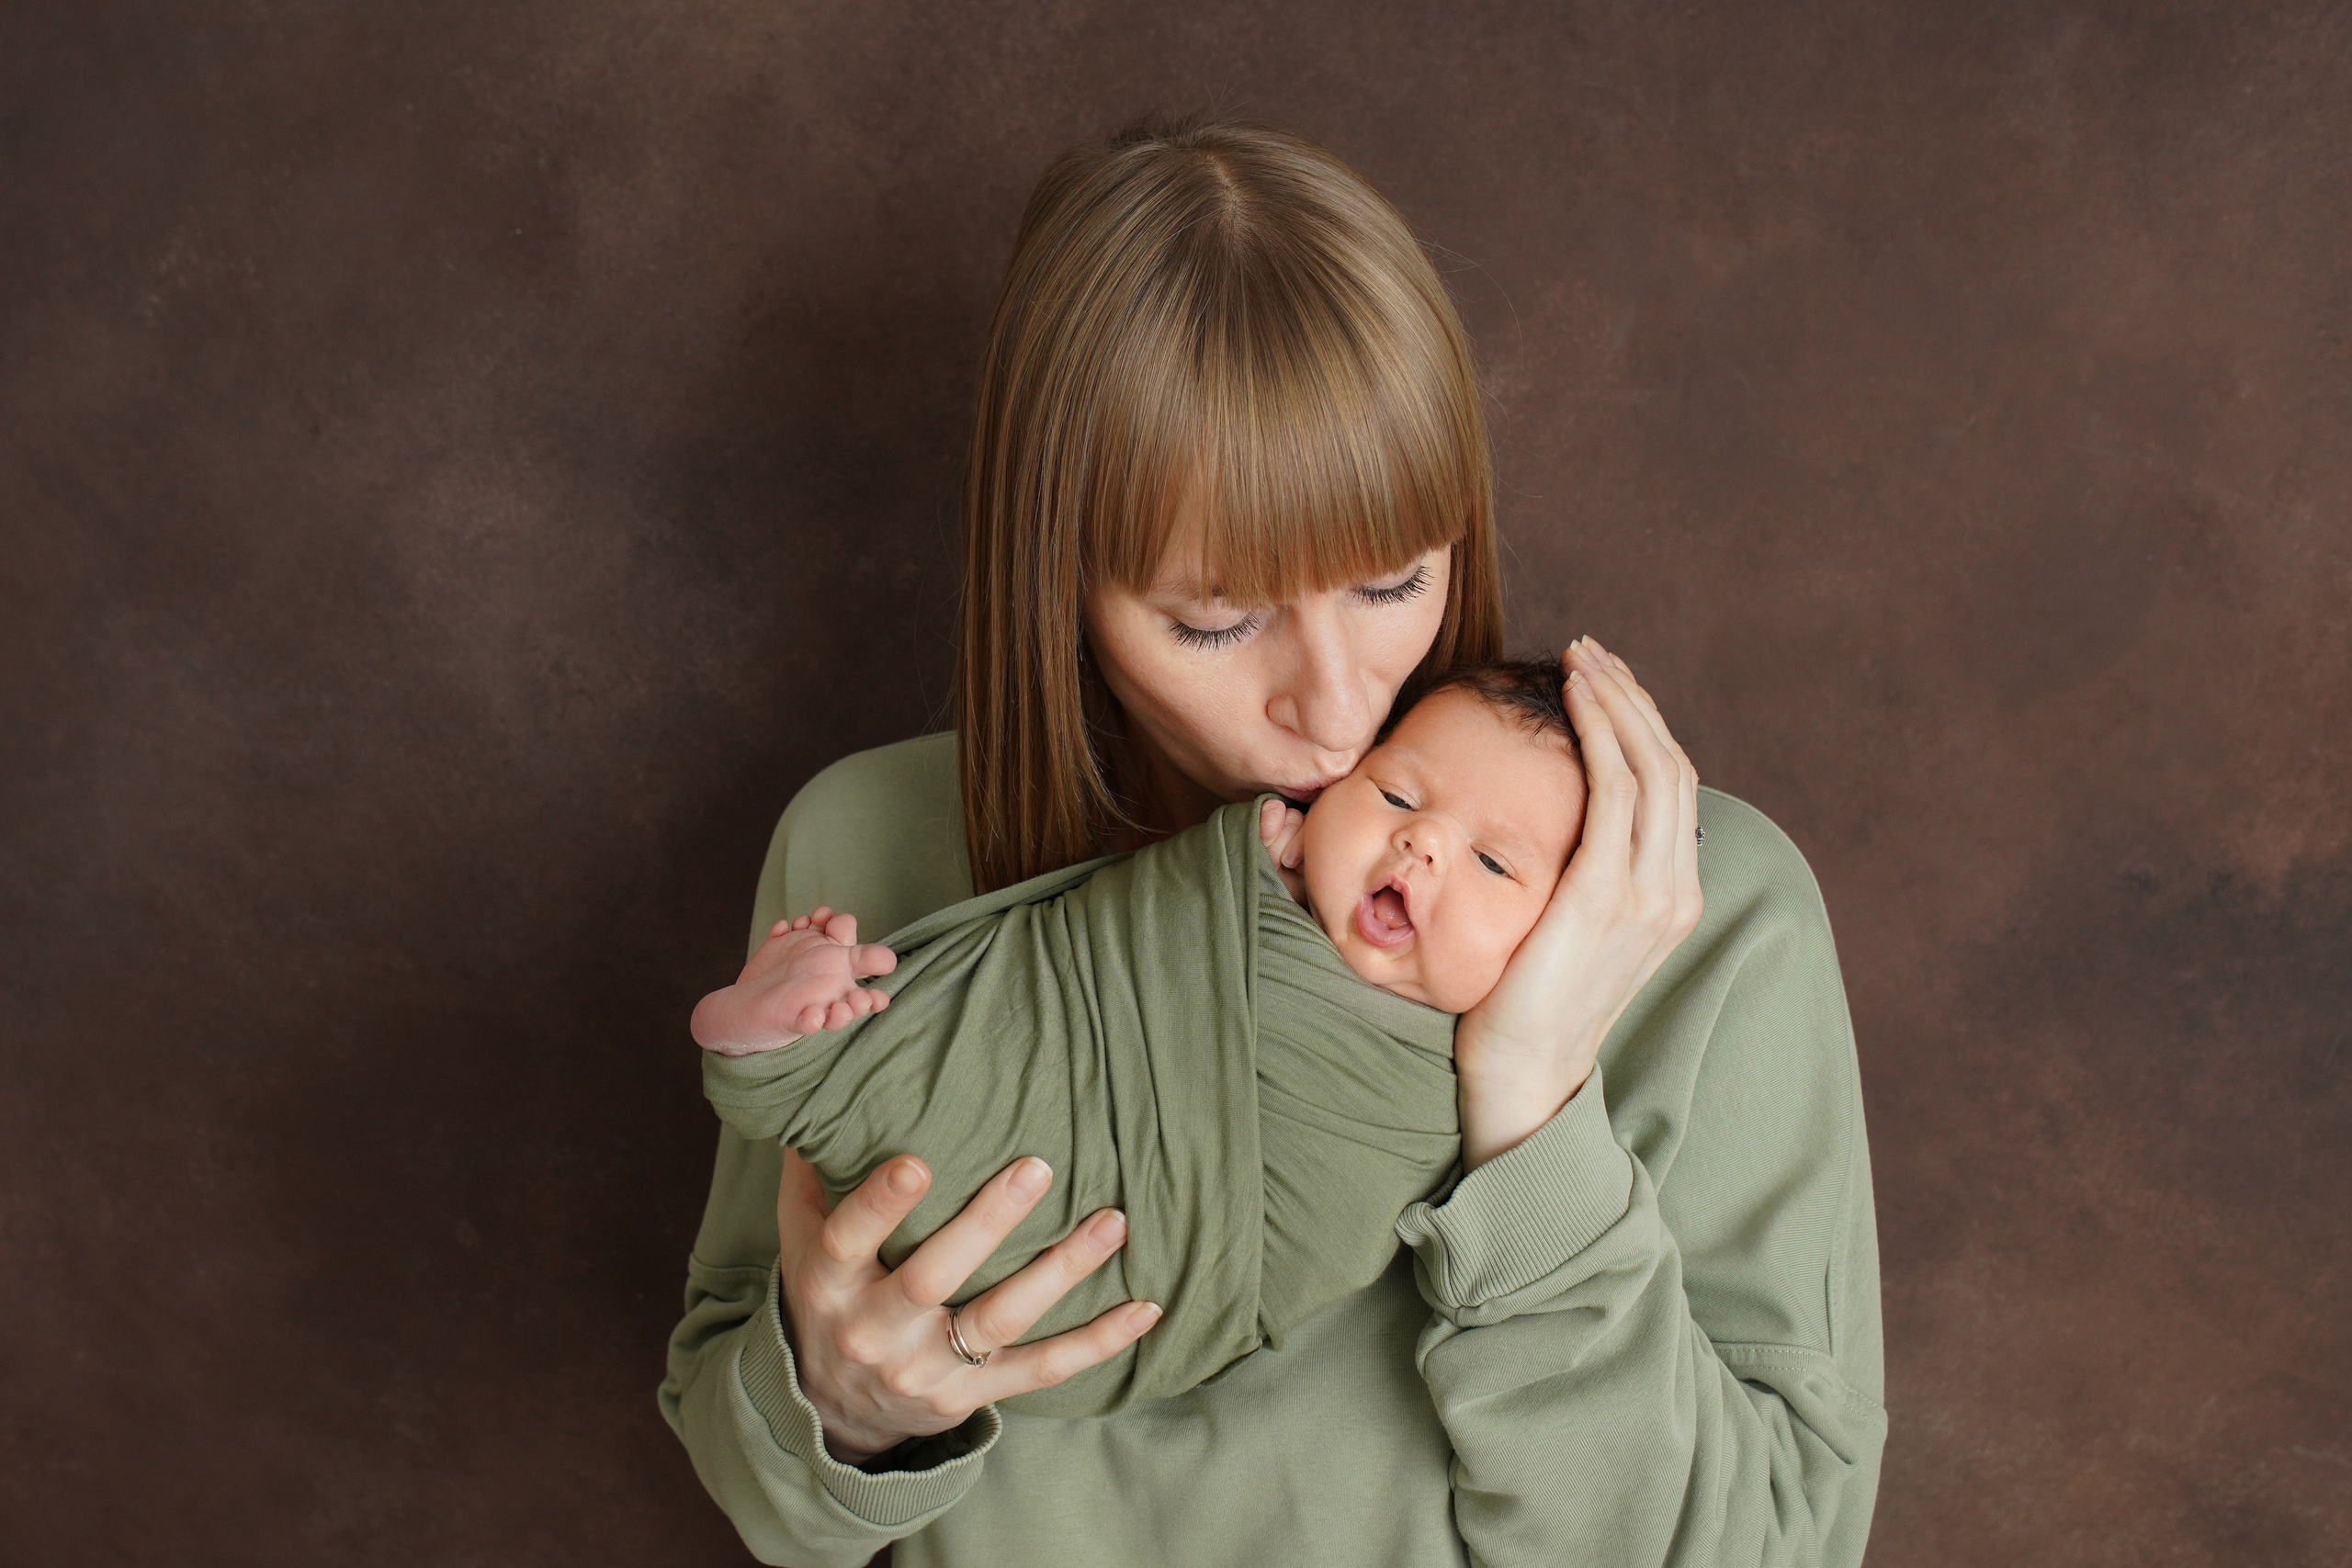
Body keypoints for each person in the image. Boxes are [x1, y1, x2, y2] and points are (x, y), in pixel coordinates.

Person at [660, 110, 1884, 1568]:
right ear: (1056, 579)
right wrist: (844, 1403)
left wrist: (1535, 1119)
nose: (1338, 704)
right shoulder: (865, 840)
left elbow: (1768, 1551)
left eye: (1392, 582)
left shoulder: (1701, 911)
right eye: (1216, 620)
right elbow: (766, 1488)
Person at [683, 663, 1589, 1419]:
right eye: (1393, 793)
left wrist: (1518, 1078)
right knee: (929, 1045)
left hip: (1150, 1289)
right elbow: (1097, 949)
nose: (1421, 839)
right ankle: (786, 1052)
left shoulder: (1456, 1073)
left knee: (924, 1122)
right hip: (961, 1154)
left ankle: (794, 1067)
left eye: (1493, 863)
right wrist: (1231, 877)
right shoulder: (1240, 876)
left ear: (1569, 934)